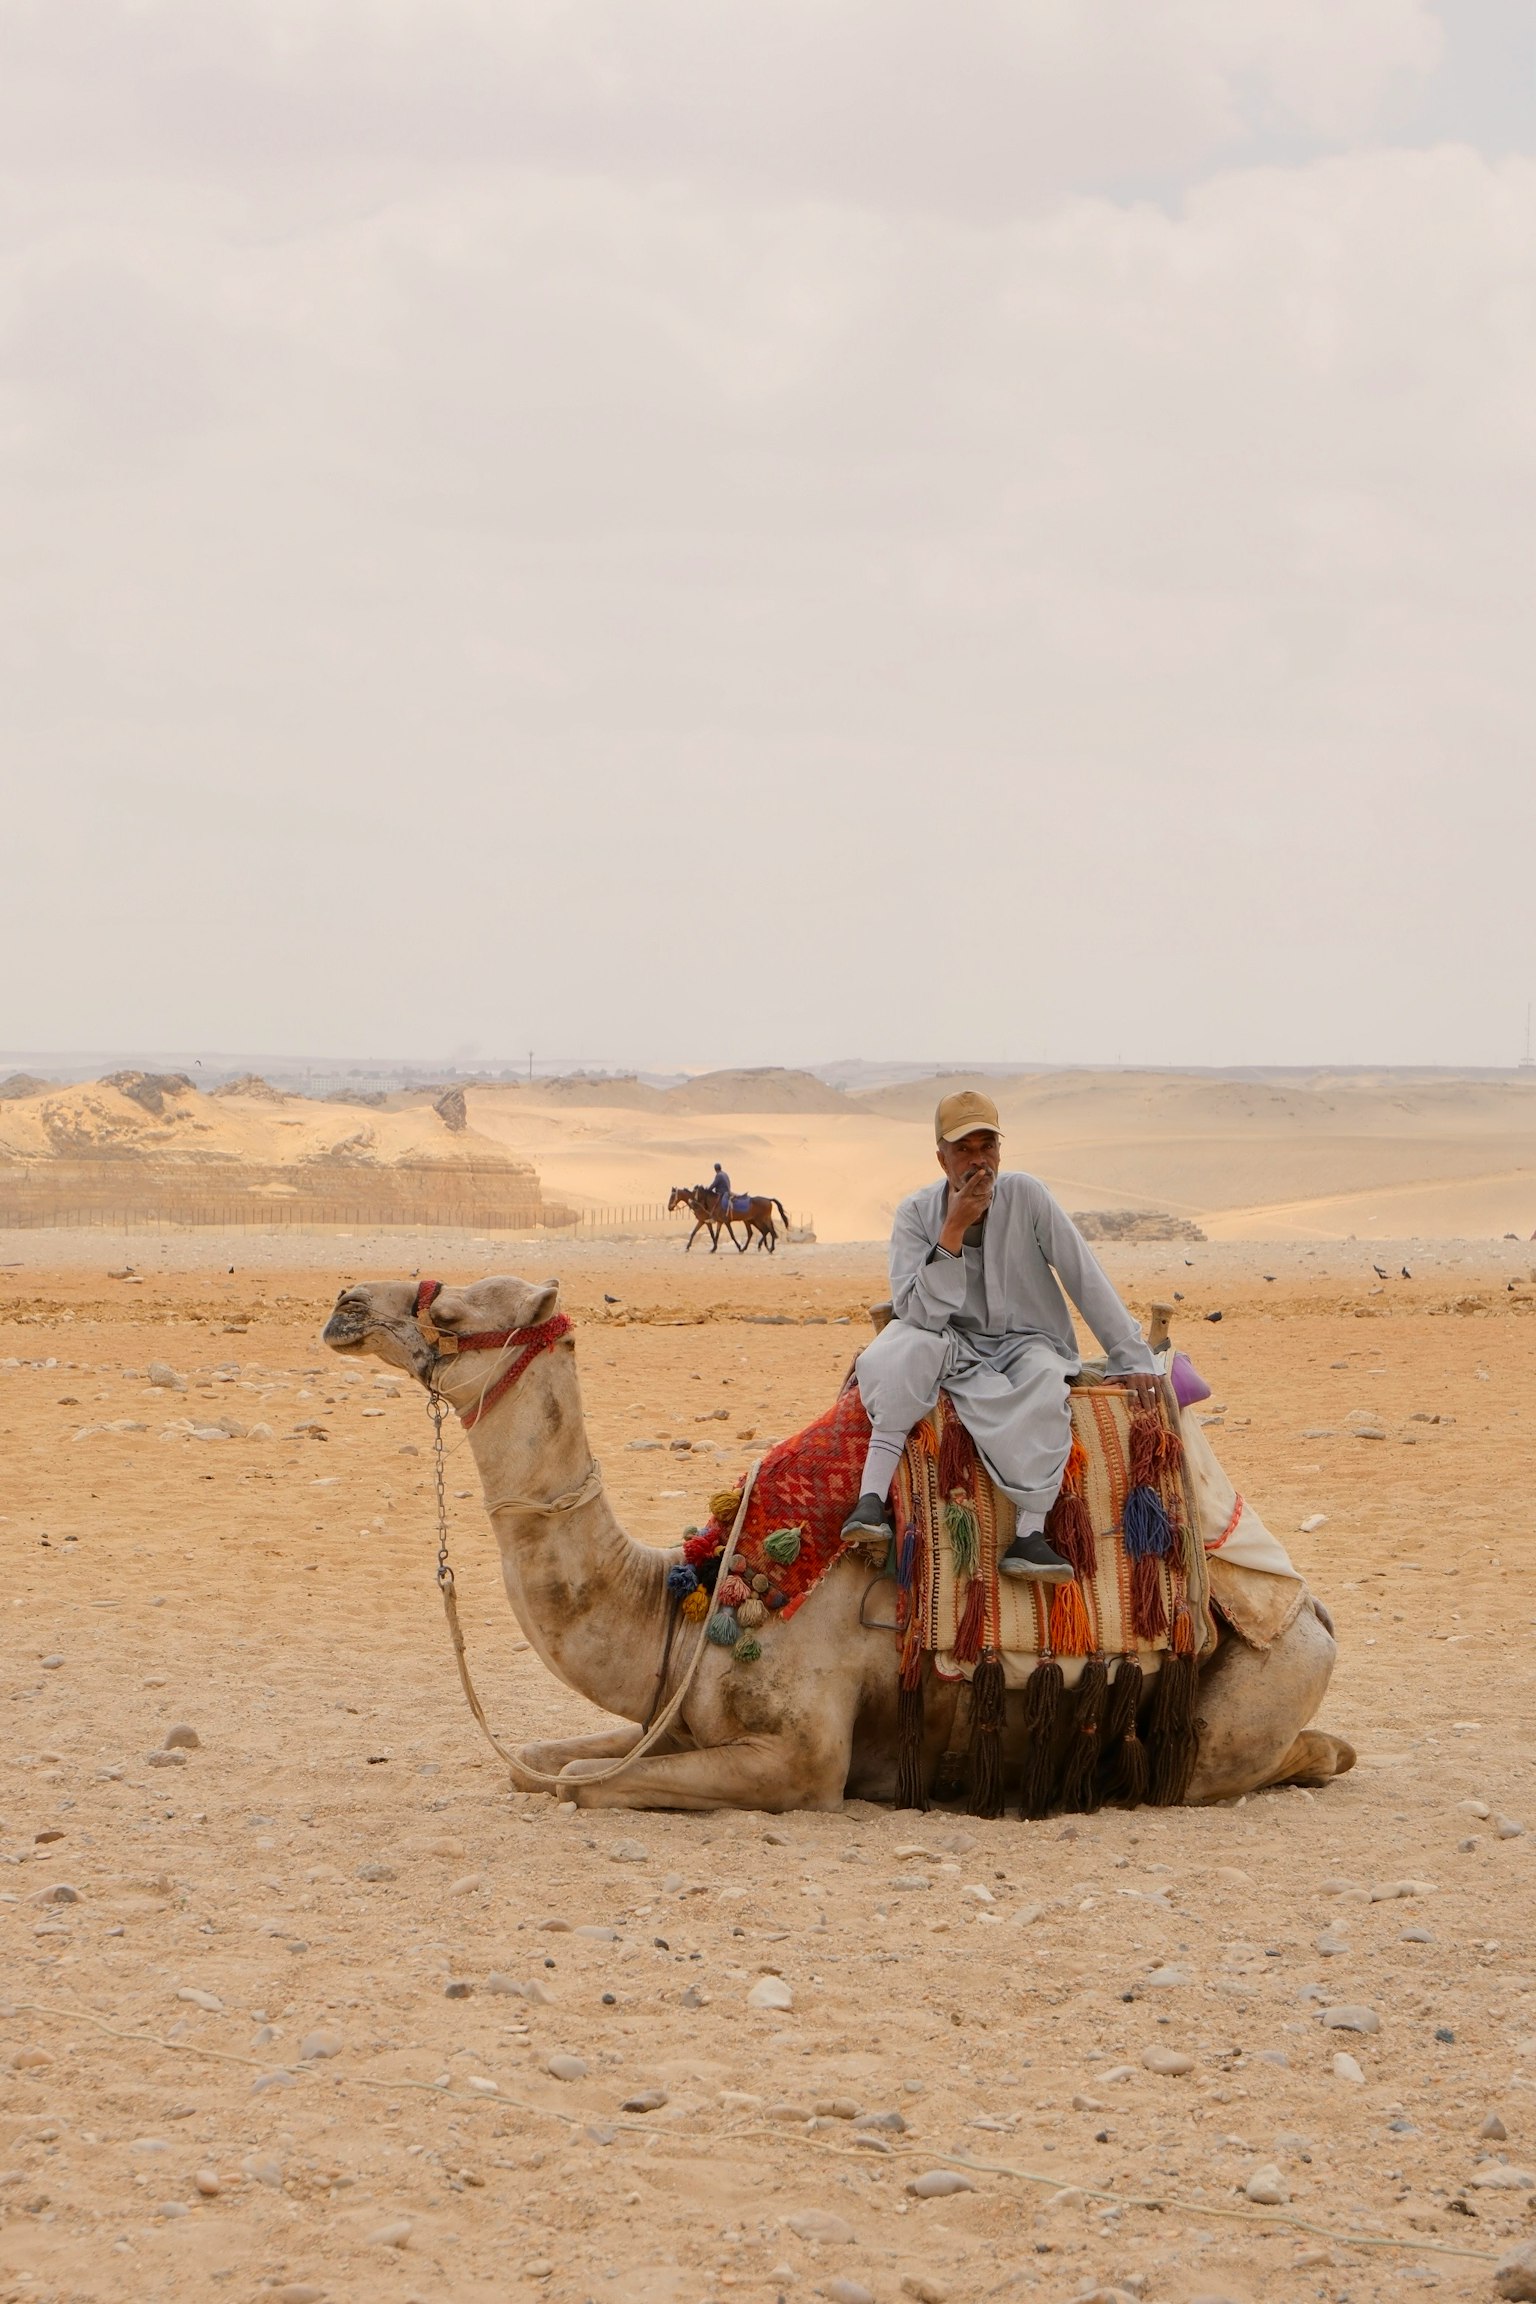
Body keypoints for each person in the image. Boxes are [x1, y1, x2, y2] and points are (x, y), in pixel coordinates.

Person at [841, 1090, 1159, 1580]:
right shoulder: (915, 1214)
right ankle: (870, 1501)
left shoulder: (1027, 1195)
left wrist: (1130, 1353)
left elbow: (1082, 1272)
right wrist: (952, 1230)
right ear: (942, 1159)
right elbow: (917, 1314)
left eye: (986, 1146)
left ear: (999, 1151)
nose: (978, 1161)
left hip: (1028, 1343)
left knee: (1045, 1380)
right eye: (963, 1150)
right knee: (895, 1352)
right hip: (949, 1343)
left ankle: (1030, 1536)